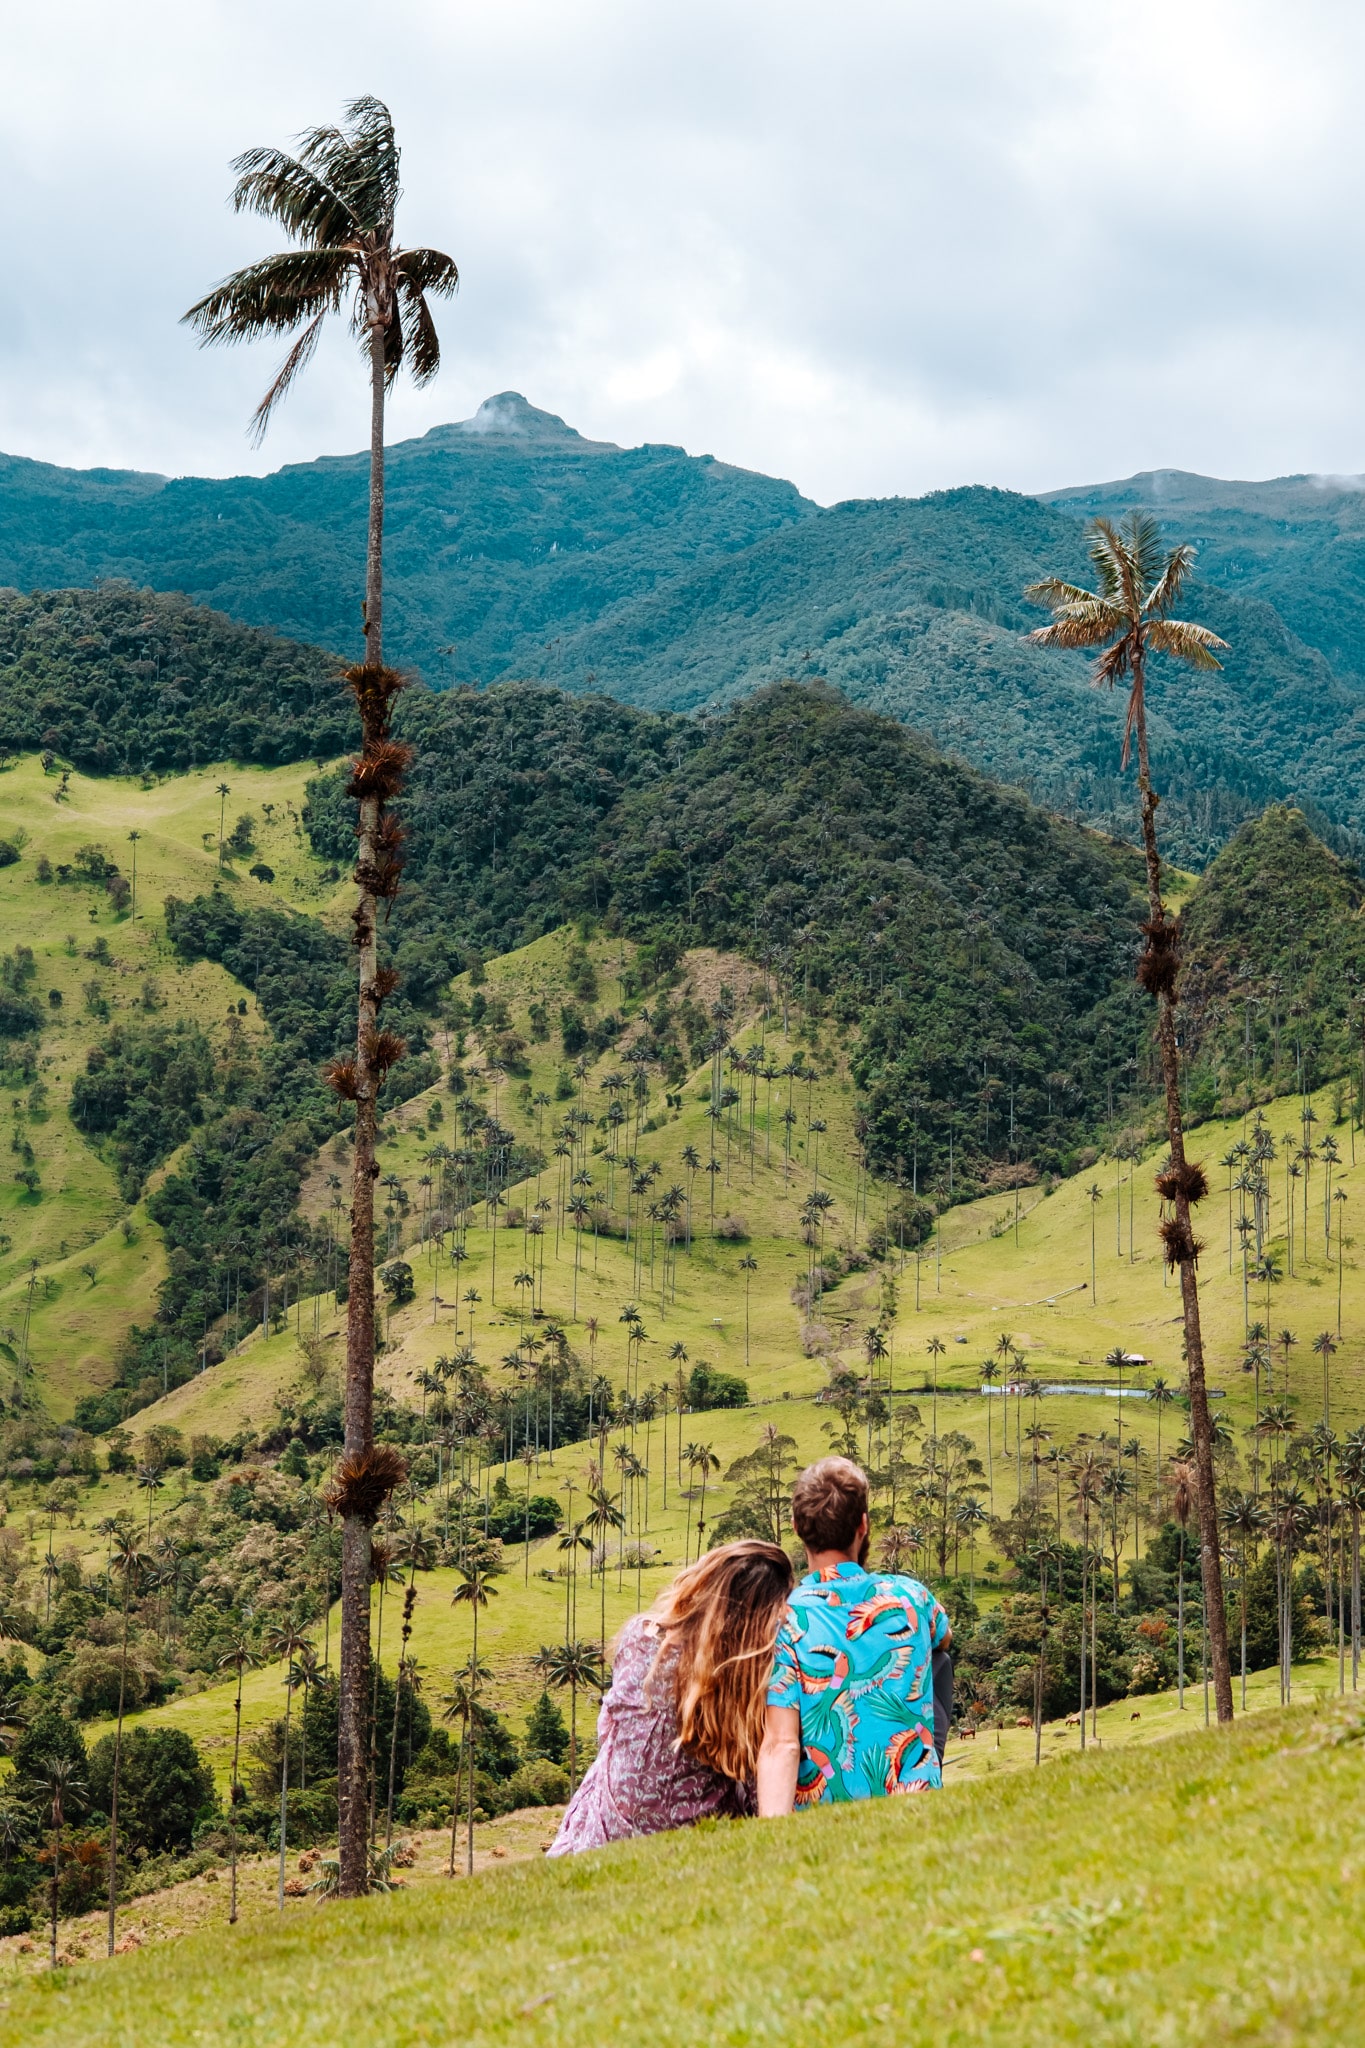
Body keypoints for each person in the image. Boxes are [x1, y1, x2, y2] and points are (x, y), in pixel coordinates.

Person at [548, 1539, 794, 1854]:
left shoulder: (639, 1638)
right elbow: (759, 1791)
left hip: (599, 1835)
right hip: (689, 1843)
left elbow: (608, 1730)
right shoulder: (742, 1681)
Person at [757, 1455, 952, 1813]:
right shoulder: (911, 1595)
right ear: (863, 1525)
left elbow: (781, 1742)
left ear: (797, 1526)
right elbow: (945, 1638)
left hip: (822, 1811)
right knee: (942, 1660)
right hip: (913, 1804)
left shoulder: (785, 1619)